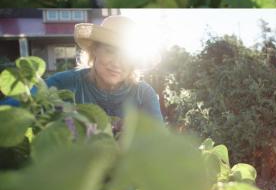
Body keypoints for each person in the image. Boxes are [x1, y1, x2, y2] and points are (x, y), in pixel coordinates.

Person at [1, 16, 163, 121]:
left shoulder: (144, 94)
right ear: (94, 51)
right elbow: (15, 107)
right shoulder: (68, 82)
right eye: (109, 51)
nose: (117, 63)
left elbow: (158, 143)